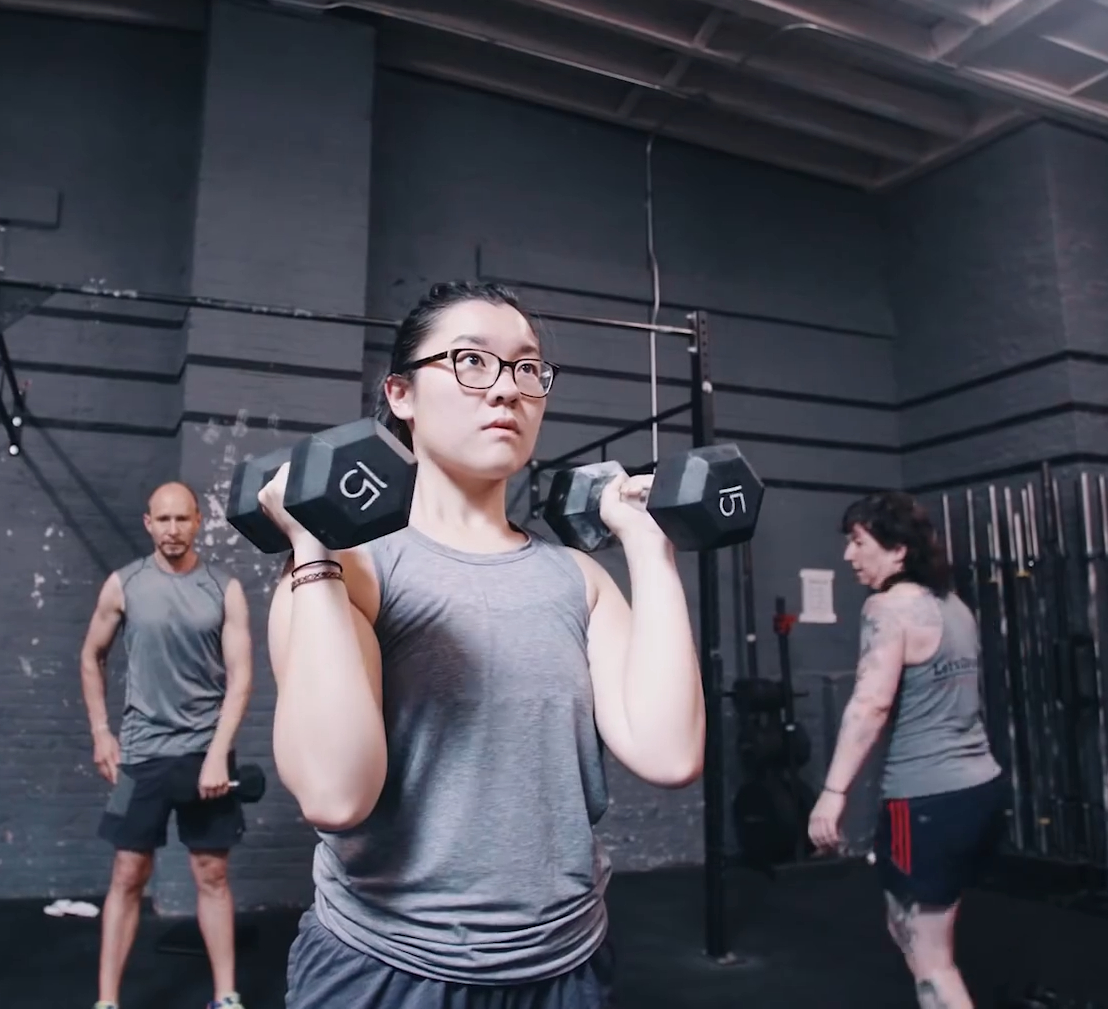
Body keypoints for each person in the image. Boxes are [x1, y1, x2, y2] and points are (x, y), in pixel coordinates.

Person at [251, 280, 706, 1008]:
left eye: (527, 368)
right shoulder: (351, 572)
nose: (507, 390)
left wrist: (649, 546)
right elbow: (337, 795)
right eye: (472, 361)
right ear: (401, 394)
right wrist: (313, 549)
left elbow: (669, 753)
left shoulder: (579, 580)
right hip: (388, 971)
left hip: (565, 967)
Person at [807, 490, 1007, 1009]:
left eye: (858, 542)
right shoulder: (955, 607)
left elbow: (870, 705)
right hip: (977, 791)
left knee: (931, 960)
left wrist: (832, 793)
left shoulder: (888, 608)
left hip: (922, 802)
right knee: (909, 924)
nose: (849, 555)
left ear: (897, 550)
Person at [79, 481, 255, 1009]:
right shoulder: (123, 585)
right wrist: (101, 731)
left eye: (183, 519)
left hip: (205, 750)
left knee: (212, 872)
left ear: (199, 520)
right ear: (147, 522)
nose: (173, 530)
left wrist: (219, 753)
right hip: (140, 753)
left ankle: (226, 995)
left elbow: (241, 676)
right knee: (128, 872)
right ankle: (107, 1001)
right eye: (164, 520)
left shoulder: (223, 589)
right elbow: (92, 657)